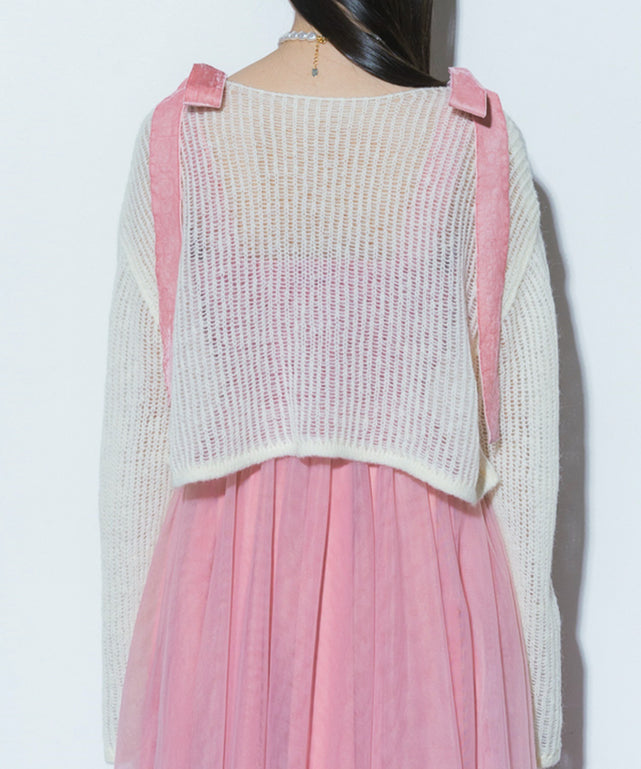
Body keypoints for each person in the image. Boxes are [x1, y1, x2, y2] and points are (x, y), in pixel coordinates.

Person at [98, 2, 563, 767]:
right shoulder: (475, 139)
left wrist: (132, 709)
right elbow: (524, 455)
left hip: (224, 619)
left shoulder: (179, 136)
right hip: (427, 619)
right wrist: (534, 720)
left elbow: (136, 459)